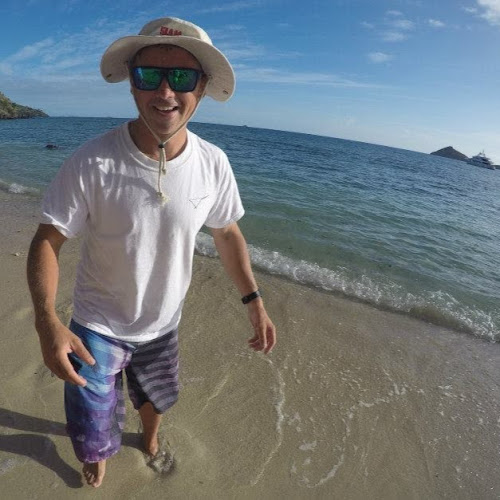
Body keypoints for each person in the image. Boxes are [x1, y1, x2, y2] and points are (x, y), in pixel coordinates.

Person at [27, 17, 276, 488]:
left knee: (156, 400)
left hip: (164, 324)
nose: (165, 92)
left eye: (181, 77)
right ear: (131, 84)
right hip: (96, 326)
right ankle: (97, 453)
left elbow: (227, 233)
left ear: (202, 87)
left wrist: (254, 301)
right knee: (90, 419)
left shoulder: (214, 163)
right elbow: (48, 238)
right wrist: (47, 321)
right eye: (149, 76)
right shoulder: (92, 160)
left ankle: (150, 438)